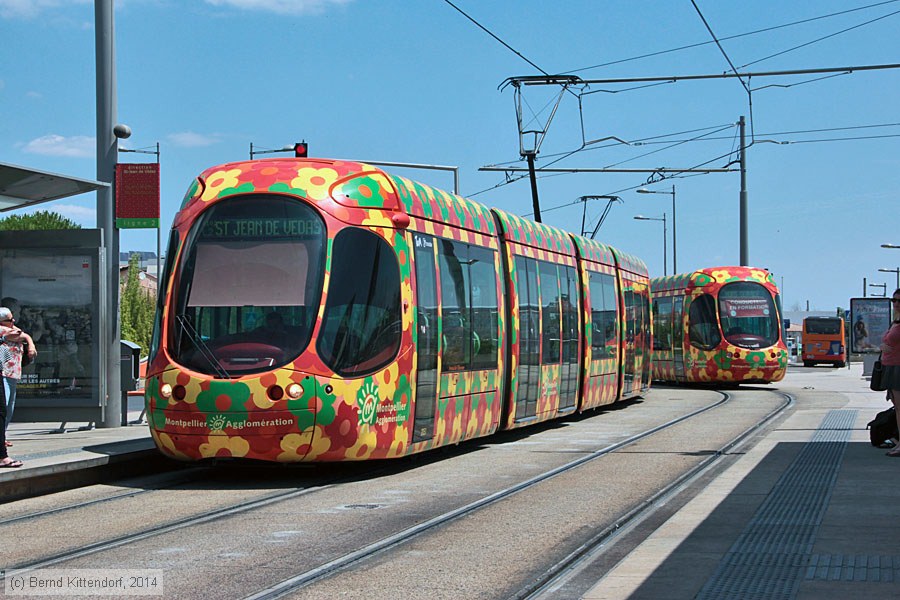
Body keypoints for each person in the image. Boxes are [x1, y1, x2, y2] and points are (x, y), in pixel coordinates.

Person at [0, 306, 36, 444]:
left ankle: (2, 437)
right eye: (10, 319)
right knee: (4, 406)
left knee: (9, 407)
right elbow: (21, 334)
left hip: (13, 374)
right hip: (4, 373)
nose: (13, 320)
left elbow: (23, 335)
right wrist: (30, 343)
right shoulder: (2, 330)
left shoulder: (9, 329)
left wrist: (31, 345)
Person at [882, 288, 900, 457]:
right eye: (894, 300)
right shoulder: (896, 321)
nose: (896, 304)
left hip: (898, 368)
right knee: (897, 407)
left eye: (899, 301)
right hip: (891, 366)